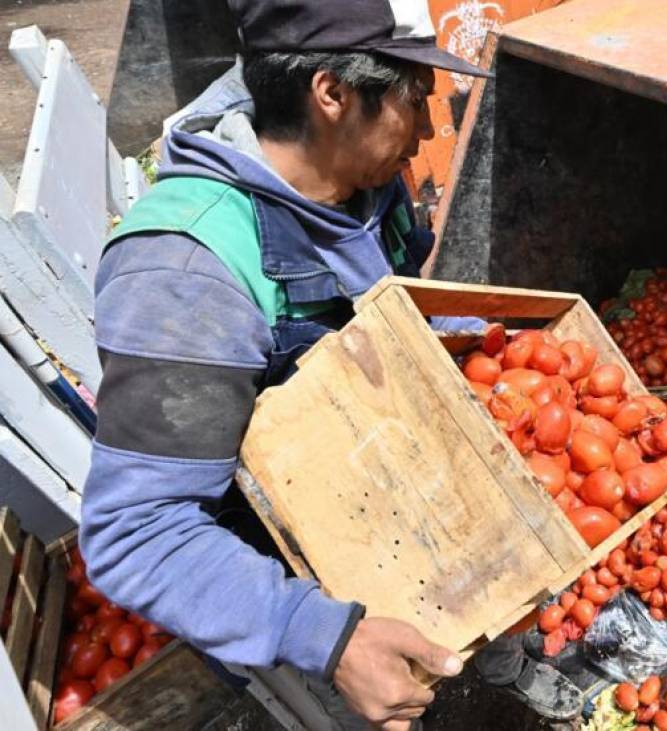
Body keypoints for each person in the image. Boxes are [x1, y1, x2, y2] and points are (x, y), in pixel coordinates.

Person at [80, 0, 580, 727]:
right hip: (309, 577)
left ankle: (504, 664)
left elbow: (389, 306)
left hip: (407, 486)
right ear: (332, 95)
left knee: (487, 612)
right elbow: (137, 533)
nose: (431, 128)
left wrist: (485, 347)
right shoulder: (187, 271)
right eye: (415, 97)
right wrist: (327, 636)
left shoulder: (362, 182)